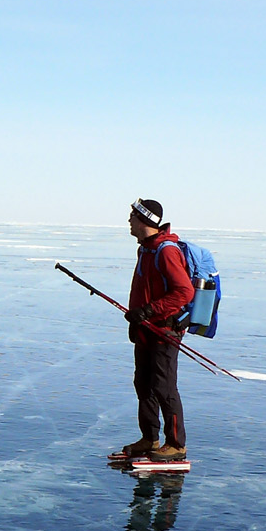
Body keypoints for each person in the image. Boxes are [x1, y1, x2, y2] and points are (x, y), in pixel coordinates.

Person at [115, 198, 195, 464]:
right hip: (145, 330)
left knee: (164, 387)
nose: (129, 220)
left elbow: (184, 292)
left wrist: (148, 311)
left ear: (145, 220)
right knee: (144, 384)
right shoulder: (146, 250)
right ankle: (149, 438)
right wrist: (136, 317)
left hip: (164, 331)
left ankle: (176, 445)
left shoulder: (166, 251)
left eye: (132, 216)